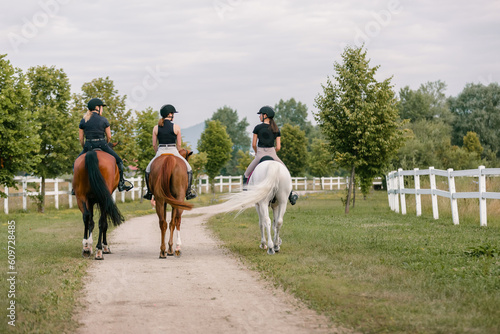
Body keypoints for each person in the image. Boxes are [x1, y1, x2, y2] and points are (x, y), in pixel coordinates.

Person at [243, 106, 298, 205]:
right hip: (273, 154)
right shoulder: (276, 128)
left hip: (260, 154)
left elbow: (254, 144)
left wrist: (256, 152)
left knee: (247, 174)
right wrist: (272, 152)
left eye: (260, 114)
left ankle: (245, 195)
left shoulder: (257, 128)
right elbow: (278, 147)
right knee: (286, 173)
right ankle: (291, 194)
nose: (259, 116)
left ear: (265, 115)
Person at [76, 98, 133, 192]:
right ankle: (121, 183)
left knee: (76, 164)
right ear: (97, 108)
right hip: (102, 145)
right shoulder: (103, 120)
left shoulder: (83, 121)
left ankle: (76, 186)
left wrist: (84, 148)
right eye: (101, 107)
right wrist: (105, 144)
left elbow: (81, 138)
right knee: (119, 162)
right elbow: (109, 136)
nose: (102, 109)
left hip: (88, 146)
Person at [143, 104, 197, 201]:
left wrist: (157, 153)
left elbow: (154, 145)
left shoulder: (156, 128)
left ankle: (149, 192)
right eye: (173, 113)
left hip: (161, 150)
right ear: (170, 114)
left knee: (148, 170)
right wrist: (176, 150)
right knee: (189, 169)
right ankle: (188, 192)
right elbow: (179, 145)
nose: (173, 115)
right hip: (173, 150)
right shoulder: (176, 127)